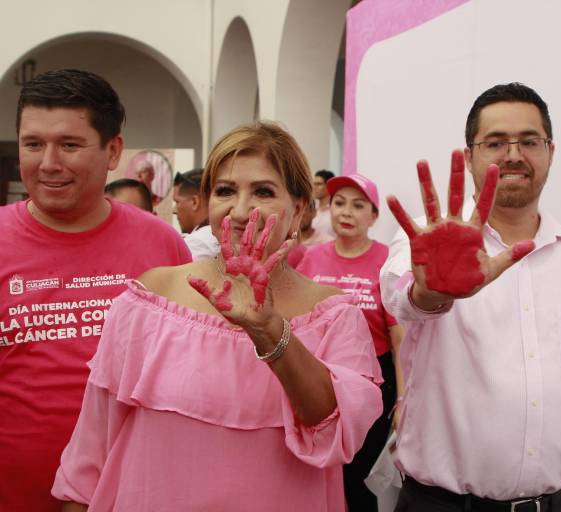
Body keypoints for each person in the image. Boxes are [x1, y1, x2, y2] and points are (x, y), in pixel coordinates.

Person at [52, 122, 383, 512]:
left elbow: (334, 429)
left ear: (298, 210)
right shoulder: (152, 298)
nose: (240, 211)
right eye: (225, 191)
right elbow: (90, 453)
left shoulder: (333, 315)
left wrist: (270, 333)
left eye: (263, 191)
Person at [381, 83, 561, 512]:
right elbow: (400, 299)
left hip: (558, 503)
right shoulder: (424, 240)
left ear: (550, 151)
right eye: (495, 143)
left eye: (529, 141)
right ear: (469, 157)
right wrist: (432, 291)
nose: (513, 155)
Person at [0, 68, 192, 512]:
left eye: (69, 145)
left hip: (133, 494)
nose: (48, 162)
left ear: (113, 151)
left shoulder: (161, 245)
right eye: (33, 144)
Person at [297, 173, 404, 511]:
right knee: (317, 475)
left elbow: (399, 339)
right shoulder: (309, 258)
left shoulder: (388, 262)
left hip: (372, 385)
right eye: (339, 203)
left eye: (358, 205)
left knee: (356, 481)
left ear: (373, 216)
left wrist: (403, 399)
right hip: (317, 378)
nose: (346, 212)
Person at [173, 168, 220, 260]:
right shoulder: (216, 235)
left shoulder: (198, 242)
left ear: (195, 202)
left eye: (177, 202)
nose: (174, 210)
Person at [312, 169, 335, 238]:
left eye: (318, 184)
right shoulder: (311, 211)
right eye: (314, 184)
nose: (314, 187)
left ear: (329, 186)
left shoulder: (335, 212)